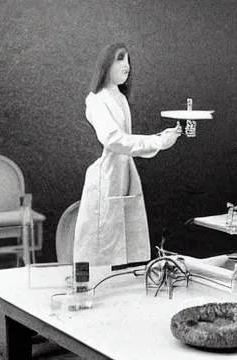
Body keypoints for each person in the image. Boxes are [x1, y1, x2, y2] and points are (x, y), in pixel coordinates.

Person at [73, 43, 182, 266]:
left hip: (124, 174)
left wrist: (161, 137)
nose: (127, 65)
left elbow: (125, 141)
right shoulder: (97, 99)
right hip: (107, 176)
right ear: (106, 64)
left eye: (128, 60)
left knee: (128, 243)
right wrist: (158, 141)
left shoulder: (119, 98)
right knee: (103, 244)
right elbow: (114, 139)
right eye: (120, 59)